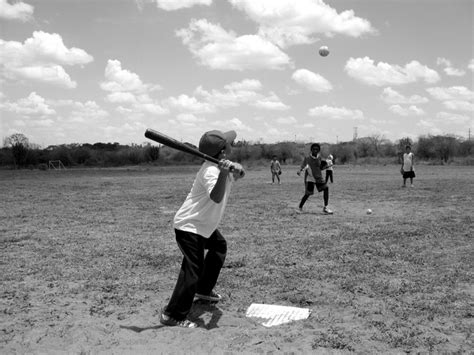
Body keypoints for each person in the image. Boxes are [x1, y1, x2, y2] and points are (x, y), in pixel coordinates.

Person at [160, 130, 244, 328]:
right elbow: (216, 196)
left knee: (219, 247)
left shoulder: (219, 166)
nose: (233, 145)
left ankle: (204, 290)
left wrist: (236, 169)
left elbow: (238, 175)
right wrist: (224, 172)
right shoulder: (210, 171)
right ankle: (172, 314)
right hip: (189, 227)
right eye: (230, 144)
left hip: (202, 227)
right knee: (192, 269)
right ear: (223, 151)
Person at [297, 143, 333, 214]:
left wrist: (326, 166)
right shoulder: (307, 158)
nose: (315, 150)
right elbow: (303, 166)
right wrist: (299, 171)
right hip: (310, 178)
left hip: (318, 178)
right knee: (307, 194)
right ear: (311, 150)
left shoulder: (320, 158)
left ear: (319, 150)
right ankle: (300, 207)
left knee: (326, 188)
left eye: (317, 149)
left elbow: (320, 168)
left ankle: (326, 207)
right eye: (314, 149)